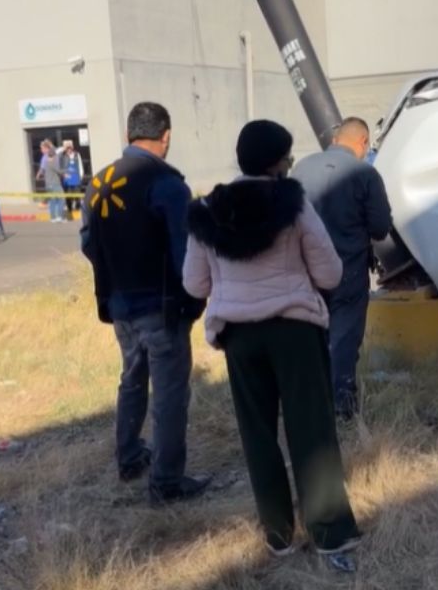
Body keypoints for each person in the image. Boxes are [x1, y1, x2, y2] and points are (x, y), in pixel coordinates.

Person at [183, 119, 361, 572]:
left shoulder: (207, 211)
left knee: (257, 435)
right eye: (286, 156)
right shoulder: (294, 206)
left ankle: (279, 536)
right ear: (277, 161)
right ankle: (330, 535)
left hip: (240, 338)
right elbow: (330, 274)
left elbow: (193, 283)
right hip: (295, 331)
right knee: (312, 431)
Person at [81, 101, 211, 506]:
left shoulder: (99, 181)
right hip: (162, 305)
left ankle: (130, 457)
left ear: (128, 134)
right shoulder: (168, 185)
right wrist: (194, 300)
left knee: (131, 380)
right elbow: (183, 250)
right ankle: (167, 481)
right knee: (171, 392)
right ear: (166, 136)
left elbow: (88, 243)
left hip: (118, 303)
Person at [291, 117, 392, 419]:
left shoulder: (302, 168)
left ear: (336, 139)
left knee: (309, 339)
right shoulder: (365, 173)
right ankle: (341, 407)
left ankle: (306, 404)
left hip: (305, 273)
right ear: (363, 143)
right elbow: (380, 228)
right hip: (347, 271)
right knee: (344, 340)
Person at [37, 141, 67, 222]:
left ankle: (53, 218)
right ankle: (60, 217)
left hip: (48, 184)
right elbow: (58, 170)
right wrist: (66, 173)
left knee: (52, 201)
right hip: (55, 184)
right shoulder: (52, 162)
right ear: (53, 155)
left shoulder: (46, 161)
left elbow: (42, 170)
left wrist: (39, 174)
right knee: (61, 199)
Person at [61, 140, 85, 217]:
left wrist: (81, 175)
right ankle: (69, 208)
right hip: (67, 179)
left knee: (77, 194)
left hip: (76, 178)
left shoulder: (77, 155)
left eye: (70, 148)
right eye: (67, 149)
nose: (69, 150)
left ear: (72, 149)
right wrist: (63, 175)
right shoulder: (62, 156)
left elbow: (80, 165)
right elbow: (61, 167)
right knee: (68, 195)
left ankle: (77, 207)